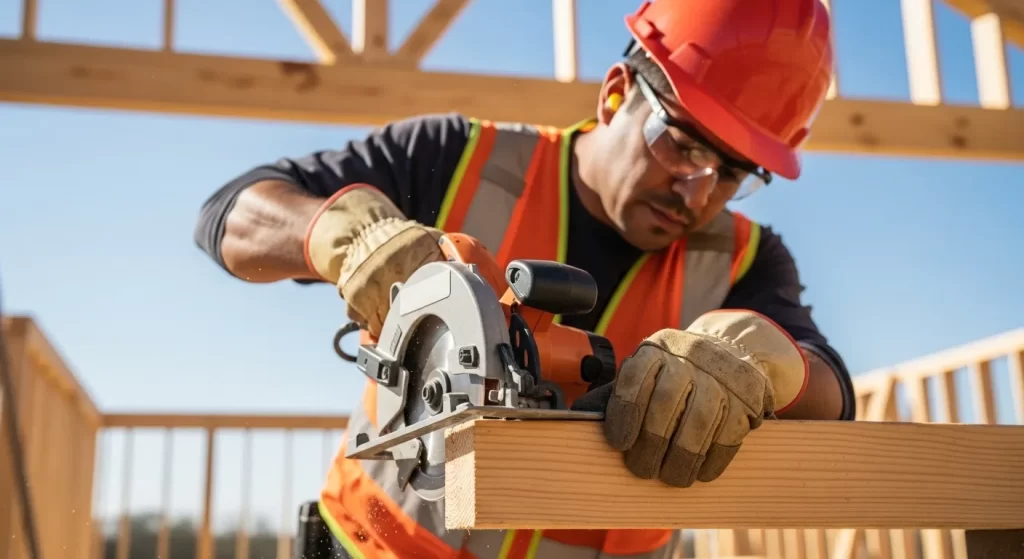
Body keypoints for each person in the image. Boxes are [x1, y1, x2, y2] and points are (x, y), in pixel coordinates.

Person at [194, 0, 856, 557]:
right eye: (680, 142)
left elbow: (828, 390)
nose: (696, 188)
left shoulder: (748, 260)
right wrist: (348, 235)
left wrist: (757, 361)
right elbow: (230, 214)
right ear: (616, 94)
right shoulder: (460, 158)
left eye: (733, 172)